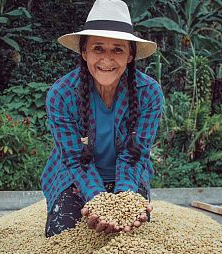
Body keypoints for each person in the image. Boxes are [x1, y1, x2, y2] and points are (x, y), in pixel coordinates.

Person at [41, 0, 164, 237]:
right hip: (73, 178)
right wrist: (99, 201)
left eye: (117, 49)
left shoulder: (149, 93)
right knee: (61, 234)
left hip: (130, 176)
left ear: (130, 55)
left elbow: (135, 155)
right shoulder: (61, 94)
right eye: (98, 48)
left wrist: (122, 200)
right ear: (84, 52)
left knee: (133, 234)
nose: (107, 59)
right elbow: (75, 159)